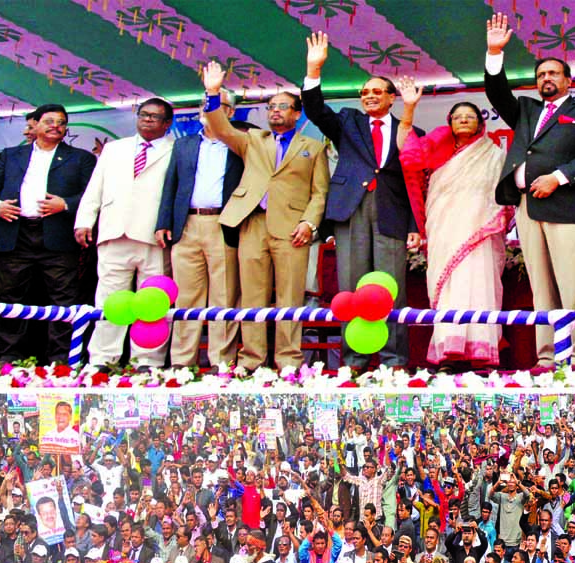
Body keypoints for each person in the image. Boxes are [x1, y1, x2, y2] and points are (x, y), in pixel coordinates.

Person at [483, 13, 575, 371]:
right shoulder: (525, 110)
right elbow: (496, 91)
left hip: (567, 205)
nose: (546, 79)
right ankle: (548, 357)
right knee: (542, 291)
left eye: (553, 73)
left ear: (568, 80)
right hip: (527, 208)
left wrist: (559, 176)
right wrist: (495, 53)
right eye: (541, 75)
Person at [302, 33, 421, 371]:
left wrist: (415, 226)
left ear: (391, 98)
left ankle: (393, 362)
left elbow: (413, 183)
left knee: (391, 291)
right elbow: (314, 109)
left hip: (391, 214)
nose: (369, 96)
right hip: (351, 211)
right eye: (365, 92)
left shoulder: (409, 129)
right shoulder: (347, 122)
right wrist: (314, 69)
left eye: (376, 92)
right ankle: (352, 362)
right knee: (351, 290)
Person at [202, 64, 330, 371]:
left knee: (290, 297)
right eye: (271, 107)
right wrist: (213, 92)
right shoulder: (253, 139)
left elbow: (320, 192)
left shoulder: (313, 147)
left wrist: (309, 223)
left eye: (283, 107)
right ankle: (252, 360)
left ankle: (288, 360)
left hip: (292, 229)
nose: (275, 112)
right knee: (252, 296)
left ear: (297, 114)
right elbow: (220, 128)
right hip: (252, 223)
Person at [398, 91, 511, 370]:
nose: (463, 121)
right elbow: (407, 153)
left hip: (480, 232)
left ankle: (481, 352)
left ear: (480, 123)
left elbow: (502, 197)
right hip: (443, 229)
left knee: (479, 284)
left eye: (469, 117)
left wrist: (489, 221)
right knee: (448, 288)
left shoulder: (493, 154)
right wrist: (409, 108)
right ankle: (450, 352)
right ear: (450, 123)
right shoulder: (436, 149)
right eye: (458, 117)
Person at [0, 103, 96, 364]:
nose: (56, 126)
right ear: (36, 125)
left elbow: (92, 196)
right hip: (16, 234)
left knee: (63, 302)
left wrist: (64, 204)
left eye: (62, 122)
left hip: (57, 237)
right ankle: (7, 361)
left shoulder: (80, 158)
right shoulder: (11, 156)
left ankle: (62, 362)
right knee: (9, 300)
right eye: (50, 121)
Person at [74, 98, 175, 369]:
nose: (148, 120)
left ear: (167, 123)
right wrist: (84, 221)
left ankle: (147, 361)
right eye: (144, 114)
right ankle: (102, 359)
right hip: (113, 232)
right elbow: (95, 187)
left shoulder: (176, 149)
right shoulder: (114, 149)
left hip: (154, 236)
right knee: (109, 300)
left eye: (155, 117)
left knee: (152, 302)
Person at [154, 88, 242, 370]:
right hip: (186, 225)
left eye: (216, 106)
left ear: (229, 112)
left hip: (223, 224)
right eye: (206, 106)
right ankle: (182, 362)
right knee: (186, 296)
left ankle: (221, 362)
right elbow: (171, 184)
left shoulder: (239, 144)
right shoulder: (185, 144)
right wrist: (163, 223)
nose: (209, 110)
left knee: (224, 295)